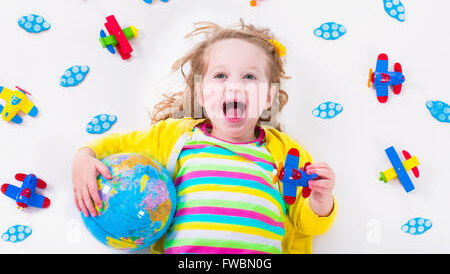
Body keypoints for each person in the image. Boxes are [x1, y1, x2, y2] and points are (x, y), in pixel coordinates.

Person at [72, 20, 337, 254]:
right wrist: (83, 158)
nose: (234, 85)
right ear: (200, 93)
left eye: (249, 77)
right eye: (220, 76)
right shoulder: (177, 136)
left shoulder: (285, 153)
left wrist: (321, 201)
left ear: (268, 97)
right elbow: (116, 145)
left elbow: (308, 224)